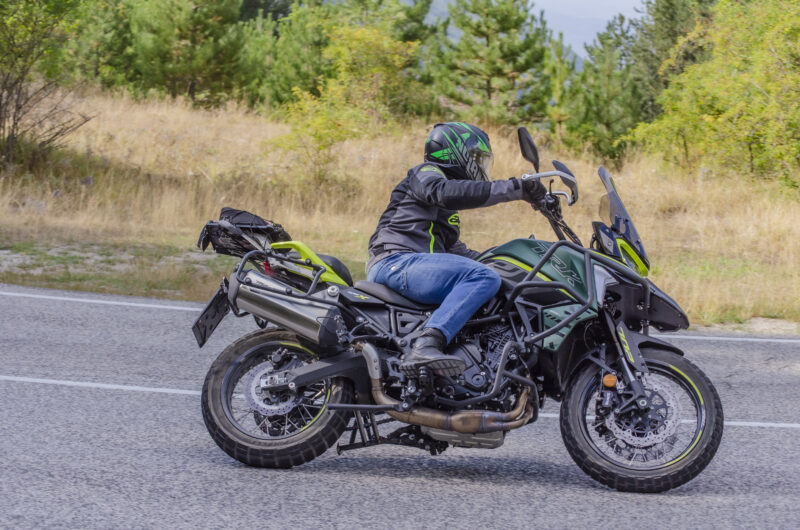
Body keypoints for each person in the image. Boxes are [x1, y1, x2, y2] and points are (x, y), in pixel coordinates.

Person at [366, 122, 546, 376]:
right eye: (478, 159)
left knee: (491, 276)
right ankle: (427, 345)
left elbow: (457, 252)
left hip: (414, 267)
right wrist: (516, 188)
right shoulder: (426, 174)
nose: (481, 167)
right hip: (395, 261)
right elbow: (442, 192)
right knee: (482, 277)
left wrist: (513, 257)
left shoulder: (444, 210)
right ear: (457, 152)